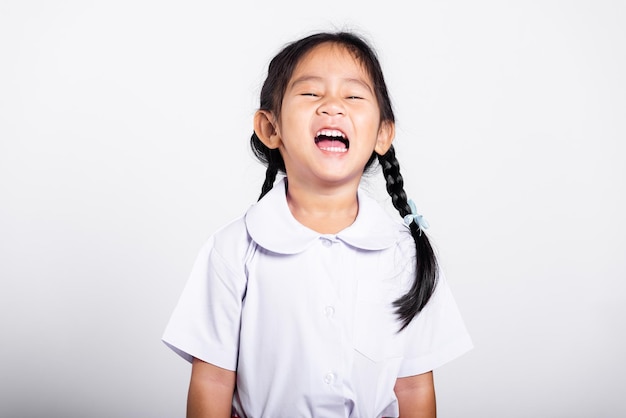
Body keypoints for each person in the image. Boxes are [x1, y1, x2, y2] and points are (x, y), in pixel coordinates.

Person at [162, 30, 472, 418]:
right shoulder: (232, 250)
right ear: (270, 128)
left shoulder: (405, 255)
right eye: (310, 94)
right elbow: (212, 381)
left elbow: (413, 387)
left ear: (383, 134)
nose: (332, 106)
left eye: (354, 96)